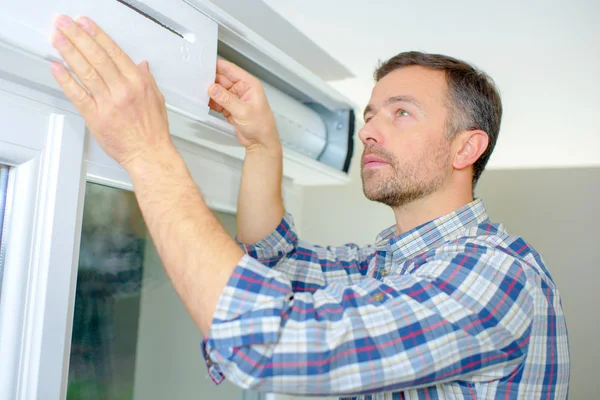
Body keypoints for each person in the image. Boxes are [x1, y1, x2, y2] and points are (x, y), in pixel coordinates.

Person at [48, 14, 570, 399]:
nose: (368, 129)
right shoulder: (386, 267)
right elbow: (271, 266)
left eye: (401, 112)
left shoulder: (497, 275)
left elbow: (272, 343)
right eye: (370, 114)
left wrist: (146, 152)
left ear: (466, 148)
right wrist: (262, 146)